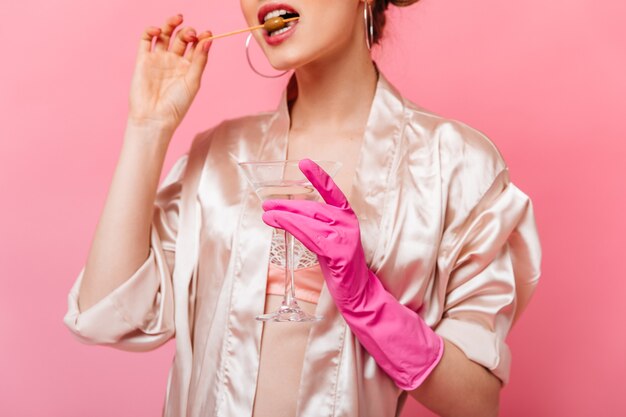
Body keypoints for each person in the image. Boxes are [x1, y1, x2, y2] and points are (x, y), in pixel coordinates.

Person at [63, 1, 543, 416]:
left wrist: (368, 303)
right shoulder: (219, 157)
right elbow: (107, 313)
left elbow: (478, 401)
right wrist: (148, 126)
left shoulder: (455, 166)